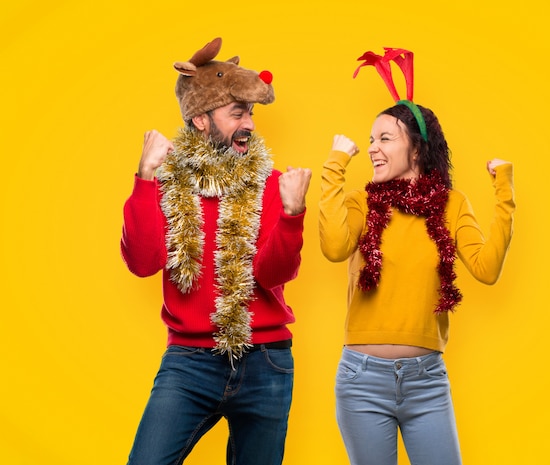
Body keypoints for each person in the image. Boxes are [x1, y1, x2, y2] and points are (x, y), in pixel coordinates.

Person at [318, 47, 515, 465]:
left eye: (385, 138)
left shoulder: (452, 204)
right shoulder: (361, 202)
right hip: (361, 380)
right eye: (371, 139)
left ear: (418, 151)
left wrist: (504, 192)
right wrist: (335, 165)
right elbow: (334, 247)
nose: (373, 148)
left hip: (427, 382)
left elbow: (486, 268)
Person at [121, 37, 312, 465]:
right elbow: (143, 263)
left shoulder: (271, 182)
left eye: (252, 113)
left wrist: (292, 214)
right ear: (202, 120)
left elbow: (271, 274)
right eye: (238, 113)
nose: (250, 124)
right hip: (189, 362)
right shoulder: (166, 183)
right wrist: (145, 177)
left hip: (266, 363)